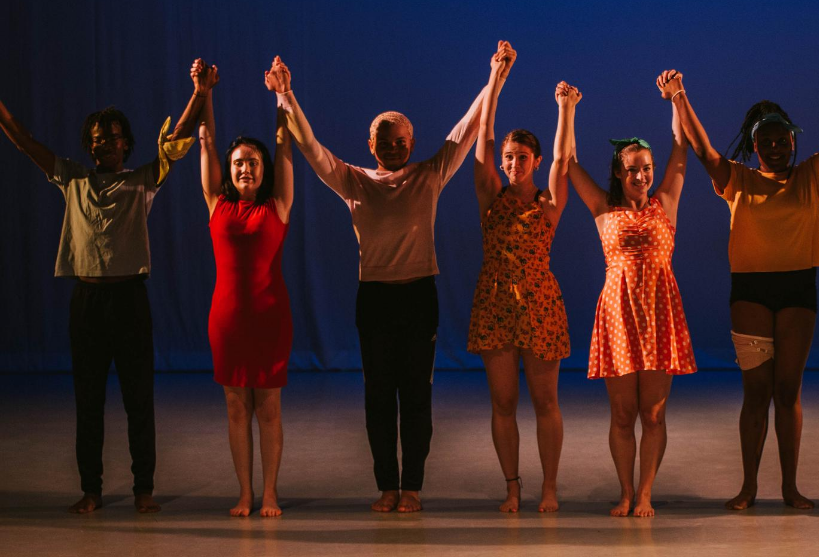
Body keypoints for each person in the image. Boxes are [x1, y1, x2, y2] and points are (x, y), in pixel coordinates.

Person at [279, 42, 514, 513]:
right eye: (383, 141)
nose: (392, 147)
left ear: (412, 141)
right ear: (371, 146)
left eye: (400, 140)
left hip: (418, 297)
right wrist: (285, 97)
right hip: (375, 300)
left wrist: (496, 76)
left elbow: (468, 129)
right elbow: (311, 148)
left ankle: (413, 487)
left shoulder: (429, 174)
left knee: (416, 396)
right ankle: (387, 484)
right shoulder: (354, 180)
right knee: (378, 396)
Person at [676, 43, 819, 510]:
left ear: (793, 140)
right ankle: (749, 486)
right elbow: (704, 149)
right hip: (750, 290)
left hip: (797, 289)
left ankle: (789, 486)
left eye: (780, 138)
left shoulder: (812, 176)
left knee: (788, 390)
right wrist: (679, 97)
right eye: (764, 140)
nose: (773, 145)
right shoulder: (737, 181)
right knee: (756, 392)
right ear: (753, 145)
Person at [0, 63, 199, 514]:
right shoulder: (71, 178)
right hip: (87, 303)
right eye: (95, 137)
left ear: (126, 143)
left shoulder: (141, 180)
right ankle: (91, 489)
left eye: (111, 137)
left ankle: (143, 489)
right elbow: (25, 141)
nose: (102, 143)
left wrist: (198, 90)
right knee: (87, 401)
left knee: (138, 401)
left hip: (130, 302)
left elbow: (179, 139)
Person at [566, 71, 695, 517]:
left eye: (646, 169)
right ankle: (625, 491)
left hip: (659, 313)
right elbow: (566, 164)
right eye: (632, 169)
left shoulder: (667, 203)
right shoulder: (604, 209)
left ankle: (646, 494)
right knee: (623, 415)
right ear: (619, 174)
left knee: (653, 413)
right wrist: (567, 111)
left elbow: (683, 148)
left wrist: (675, 96)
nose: (641, 175)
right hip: (619, 314)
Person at [468, 77, 573, 514]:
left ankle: (549, 487)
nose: (512, 164)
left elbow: (565, 159)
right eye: (508, 157)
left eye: (521, 158)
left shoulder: (547, 202)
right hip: (494, 302)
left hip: (539, 302)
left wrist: (565, 108)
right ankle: (512, 487)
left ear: (535, 160)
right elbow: (483, 139)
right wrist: (495, 82)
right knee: (504, 402)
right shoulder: (491, 197)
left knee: (545, 401)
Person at [197, 58, 296, 517]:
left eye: (253, 163)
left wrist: (281, 96)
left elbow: (285, 145)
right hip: (228, 322)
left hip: (270, 319)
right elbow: (209, 141)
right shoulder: (216, 203)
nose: (244, 169)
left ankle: (271, 492)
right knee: (237, 410)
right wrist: (205, 93)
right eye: (238, 163)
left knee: (269, 410)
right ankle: (245, 493)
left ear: (263, 169)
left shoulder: (278, 205)